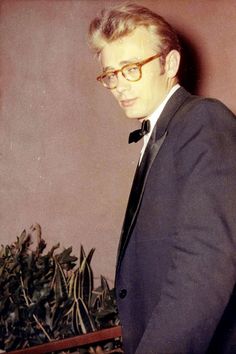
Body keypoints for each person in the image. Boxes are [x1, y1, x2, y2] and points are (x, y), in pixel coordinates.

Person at [88, 3, 236, 354]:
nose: (119, 86)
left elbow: (205, 267)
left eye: (132, 69)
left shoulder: (203, 120)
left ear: (170, 64)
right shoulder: (161, 132)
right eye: (111, 74)